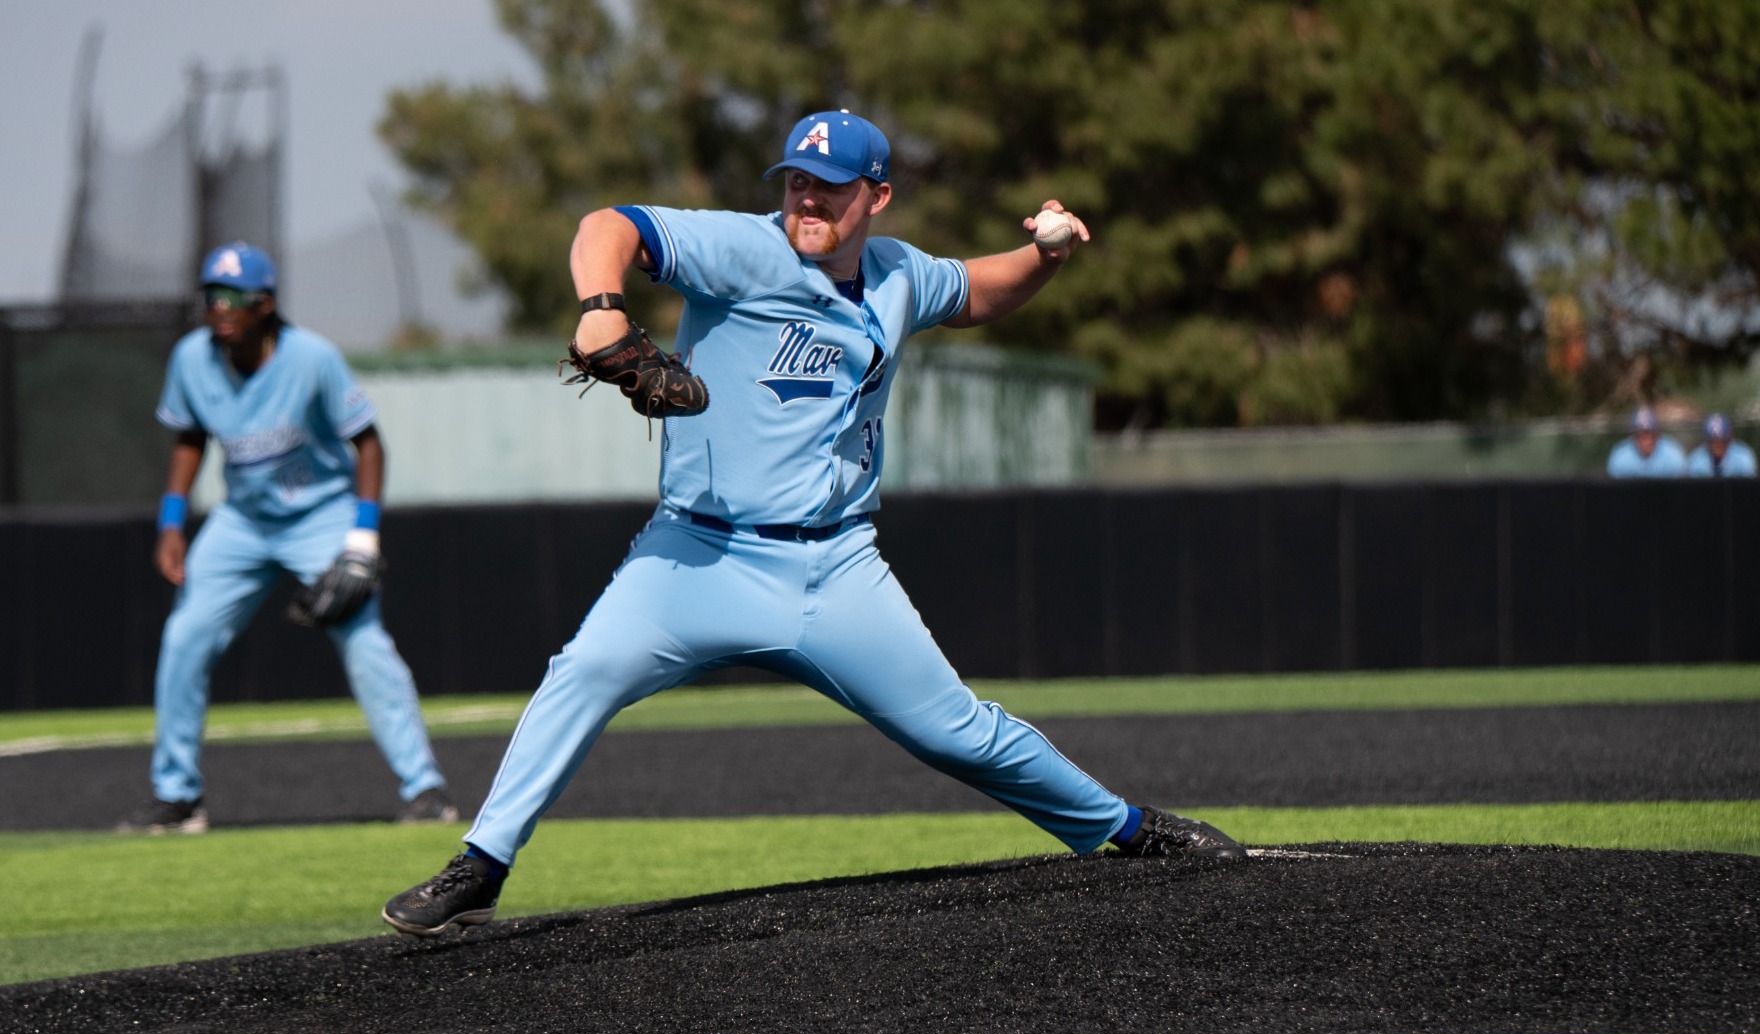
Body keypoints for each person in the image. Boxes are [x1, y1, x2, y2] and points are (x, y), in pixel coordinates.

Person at [382, 110, 1245, 937]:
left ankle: (1126, 827)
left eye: (830, 187)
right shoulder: (743, 250)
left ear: (876, 197)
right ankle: (482, 865)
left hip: (836, 567)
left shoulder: (900, 273)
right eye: (796, 180)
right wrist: (601, 303)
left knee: (957, 730)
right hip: (700, 552)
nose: (807, 199)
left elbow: (981, 291)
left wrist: (1045, 254)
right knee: (584, 672)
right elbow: (608, 223)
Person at [119, 242, 457, 834]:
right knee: (184, 638)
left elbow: (369, 444)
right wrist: (171, 523)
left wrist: (363, 539)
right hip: (242, 521)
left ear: (265, 304)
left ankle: (426, 789)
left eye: (230, 299)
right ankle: (176, 797)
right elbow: (190, 438)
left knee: (365, 643)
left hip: (321, 515)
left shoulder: (313, 358)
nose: (217, 309)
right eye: (210, 297)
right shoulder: (192, 359)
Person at [1606, 406, 1686, 478]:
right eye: (1640, 434)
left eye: (1650, 434)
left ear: (1658, 434)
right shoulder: (1620, 456)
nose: (1646, 439)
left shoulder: (1672, 453)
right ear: (1632, 435)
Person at [1686, 412, 1757, 477]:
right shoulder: (1696, 459)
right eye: (1712, 441)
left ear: (1730, 438)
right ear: (1706, 440)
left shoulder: (1743, 457)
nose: (1718, 445)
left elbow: (1747, 487)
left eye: (1723, 441)